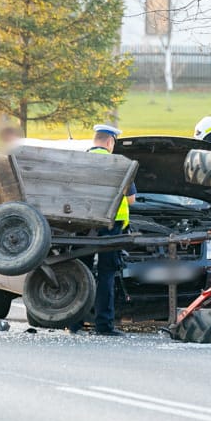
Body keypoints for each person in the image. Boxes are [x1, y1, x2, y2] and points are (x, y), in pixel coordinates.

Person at [75, 124, 136, 336]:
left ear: (95, 140)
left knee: (80, 272)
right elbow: (131, 199)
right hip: (112, 227)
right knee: (106, 275)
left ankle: (75, 323)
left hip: (83, 225)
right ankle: (104, 325)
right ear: (110, 142)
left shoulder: (78, 162)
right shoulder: (119, 164)